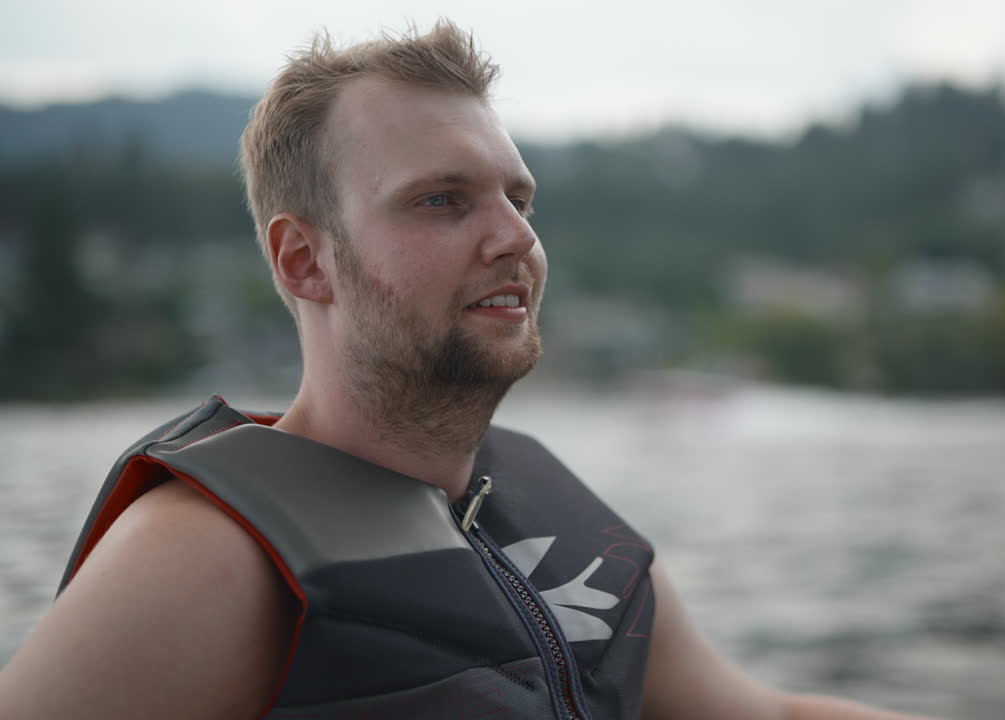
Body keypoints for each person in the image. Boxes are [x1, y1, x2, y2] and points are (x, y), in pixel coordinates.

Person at [0, 21, 937, 720]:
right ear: (304, 262)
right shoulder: (206, 559)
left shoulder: (545, 504)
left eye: (518, 197)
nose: (517, 239)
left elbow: (763, 716)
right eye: (442, 201)